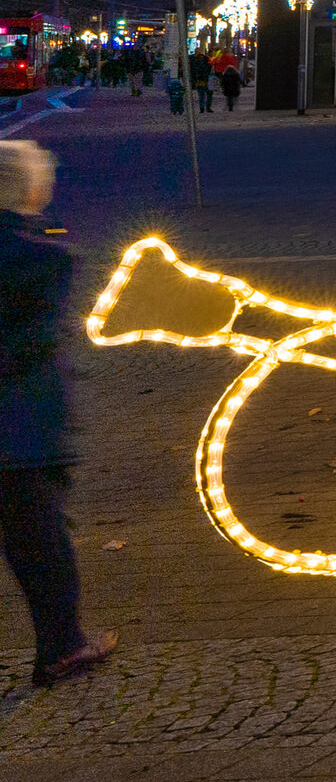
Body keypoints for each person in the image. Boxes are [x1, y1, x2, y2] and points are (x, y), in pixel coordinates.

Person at [0, 140, 117, 687]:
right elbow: (31, 346)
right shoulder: (41, 257)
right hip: (20, 429)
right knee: (40, 542)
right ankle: (61, 647)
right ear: (30, 188)